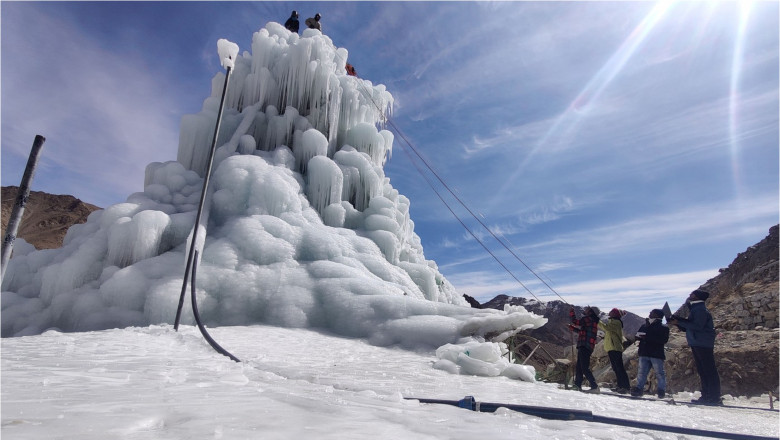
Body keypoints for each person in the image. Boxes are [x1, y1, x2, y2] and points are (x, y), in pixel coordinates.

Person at [669, 289, 721, 405]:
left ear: (697, 297)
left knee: (708, 370)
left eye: (692, 294)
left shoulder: (700, 310)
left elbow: (697, 326)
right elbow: (690, 326)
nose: (689, 296)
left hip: (702, 342)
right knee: (703, 370)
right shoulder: (696, 309)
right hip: (698, 342)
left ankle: (713, 397)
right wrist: (678, 322)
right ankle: (708, 395)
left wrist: (680, 322)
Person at [631, 309, 670, 398]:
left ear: (657, 315)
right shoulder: (645, 325)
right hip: (644, 352)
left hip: (655, 353)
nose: (649, 314)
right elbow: (638, 335)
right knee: (641, 373)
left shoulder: (663, 327)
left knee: (659, 373)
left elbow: (663, 340)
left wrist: (646, 337)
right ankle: (639, 389)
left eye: (652, 313)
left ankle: (661, 390)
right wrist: (638, 337)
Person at [569, 306, 601, 393]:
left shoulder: (588, 318)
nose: (585, 310)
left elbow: (576, 322)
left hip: (584, 345)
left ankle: (594, 386)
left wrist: (572, 313)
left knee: (584, 367)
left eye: (587, 309)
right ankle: (577, 385)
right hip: (587, 346)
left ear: (591, 311)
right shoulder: (593, 320)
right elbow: (582, 332)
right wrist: (573, 329)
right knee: (580, 366)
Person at [598, 308, 631, 393]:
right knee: (616, 368)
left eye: (612, 312)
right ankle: (620, 386)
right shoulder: (613, 322)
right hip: (611, 347)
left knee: (619, 368)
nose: (610, 312)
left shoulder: (616, 322)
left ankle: (625, 386)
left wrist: (597, 321)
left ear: (615, 314)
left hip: (615, 347)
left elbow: (606, 328)